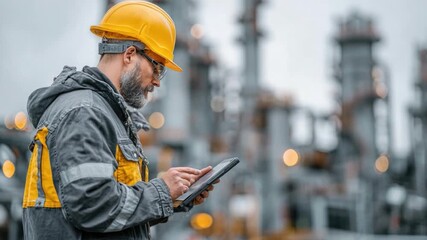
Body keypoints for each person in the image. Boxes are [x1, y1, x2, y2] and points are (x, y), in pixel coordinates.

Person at [22, 1, 216, 239]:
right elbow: (92, 206)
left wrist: (173, 197)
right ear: (130, 55)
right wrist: (161, 190)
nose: (157, 81)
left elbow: (109, 215)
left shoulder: (106, 114)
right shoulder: (84, 112)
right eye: (157, 67)